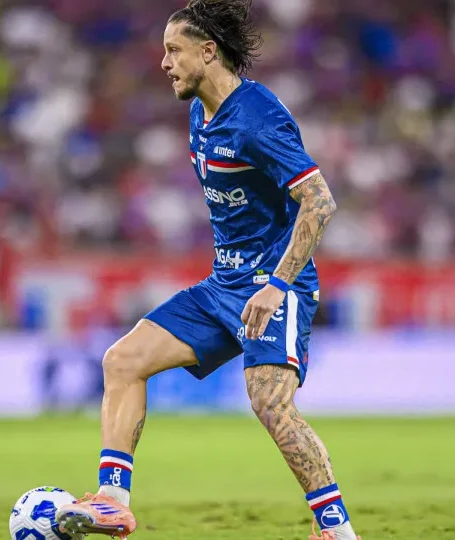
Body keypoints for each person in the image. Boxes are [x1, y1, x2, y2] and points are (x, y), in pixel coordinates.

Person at [55, 1, 360, 539]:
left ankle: (336, 530)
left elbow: (319, 201)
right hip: (222, 286)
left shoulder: (257, 118)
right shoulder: (199, 113)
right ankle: (112, 502)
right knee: (122, 361)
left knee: (270, 404)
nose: (164, 62)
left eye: (174, 50)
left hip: (274, 286)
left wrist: (277, 285)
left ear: (208, 51)